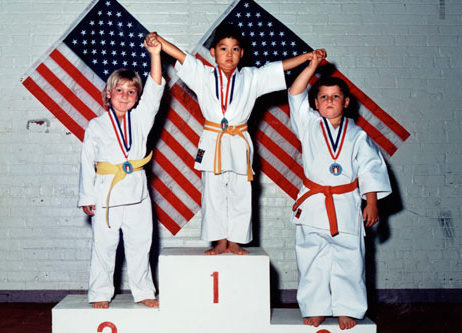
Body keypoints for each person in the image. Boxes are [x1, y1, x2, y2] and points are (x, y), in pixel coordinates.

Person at [150, 24, 314, 255]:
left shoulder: (252, 77)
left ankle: (236, 240)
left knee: (241, 192)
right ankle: (219, 241)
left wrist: (307, 57)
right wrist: (159, 40)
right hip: (213, 139)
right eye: (223, 48)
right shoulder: (203, 75)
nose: (229, 54)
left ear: (241, 53)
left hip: (238, 139)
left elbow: (279, 68)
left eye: (235, 49)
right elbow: (179, 55)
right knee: (213, 193)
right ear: (213, 53)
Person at [288, 49, 392, 329]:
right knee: (312, 260)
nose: (329, 101)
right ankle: (316, 307)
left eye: (335, 96)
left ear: (346, 102)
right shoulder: (308, 124)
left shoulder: (358, 135)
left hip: (346, 203)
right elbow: (295, 92)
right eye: (323, 97)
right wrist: (312, 66)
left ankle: (349, 309)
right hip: (314, 204)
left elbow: (370, 168)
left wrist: (371, 202)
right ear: (316, 104)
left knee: (350, 259)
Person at [77, 34, 165, 308]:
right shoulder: (96, 125)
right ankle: (100, 293)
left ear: (137, 97)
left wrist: (155, 55)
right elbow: (86, 162)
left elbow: (156, 88)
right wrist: (86, 197)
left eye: (131, 91)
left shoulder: (141, 118)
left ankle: (144, 292)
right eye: (119, 90)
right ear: (108, 93)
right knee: (104, 248)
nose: (125, 96)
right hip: (106, 194)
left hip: (137, 194)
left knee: (141, 245)